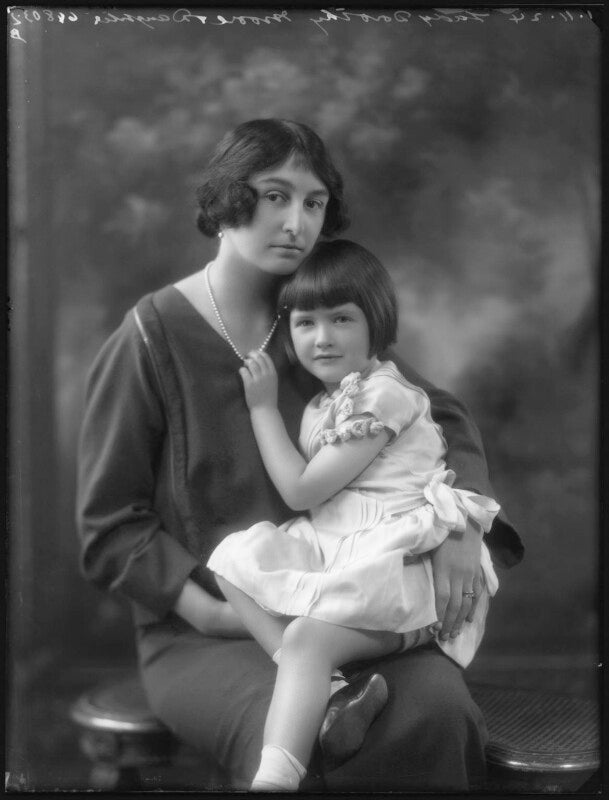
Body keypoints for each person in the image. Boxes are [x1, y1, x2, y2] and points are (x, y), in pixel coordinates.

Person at [77, 118, 523, 792]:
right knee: (312, 740)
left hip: (347, 599)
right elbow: (110, 527)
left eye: (313, 203)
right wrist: (215, 611)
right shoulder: (148, 337)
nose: (296, 222)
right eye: (274, 195)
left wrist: (463, 524)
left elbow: (437, 417)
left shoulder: (316, 320)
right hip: (208, 634)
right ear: (228, 198)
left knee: (436, 714)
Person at [207, 239, 502, 791]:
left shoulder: (382, 394)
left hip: (403, 564)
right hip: (345, 544)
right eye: (304, 323)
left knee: (305, 641)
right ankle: (338, 690)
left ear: (376, 323)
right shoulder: (329, 402)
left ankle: (272, 781)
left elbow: (299, 491)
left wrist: (263, 408)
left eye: (341, 319)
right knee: (232, 562)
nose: (322, 338)